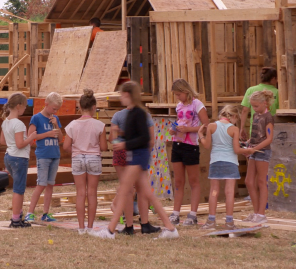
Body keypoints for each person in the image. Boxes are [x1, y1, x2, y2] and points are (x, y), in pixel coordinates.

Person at [89, 81, 179, 239]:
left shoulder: (139, 113)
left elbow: (144, 138)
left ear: (128, 95)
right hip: (135, 155)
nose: (121, 98)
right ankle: (171, 229)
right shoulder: (132, 114)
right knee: (147, 193)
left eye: (122, 95)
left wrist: (125, 143)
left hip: (138, 156)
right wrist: (121, 137)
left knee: (125, 190)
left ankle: (110, 230)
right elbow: (135, 136)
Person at [198, 105, 255, 230]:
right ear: (234, 116)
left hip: (216, 162)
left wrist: (200, 135)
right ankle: (229, 222)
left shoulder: (212, 126)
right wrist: (248, 150)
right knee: (229, 193)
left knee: (214, 191)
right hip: (230, 163)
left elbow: (206, 145)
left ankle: (211, 221)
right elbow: (236, 149)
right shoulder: (234, 129)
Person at [109, 102, 160, 235]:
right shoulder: (145, 116)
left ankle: (129, 226)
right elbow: (150, 140)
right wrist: (146, 155)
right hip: (138, 153)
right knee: (142, 190)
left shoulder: (118, 116)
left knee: (127, 190)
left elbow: (111, 139)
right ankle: (145, 224)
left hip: (120, 153)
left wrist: (118, 138)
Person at [62, 89, 106, 234]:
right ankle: (90, 227)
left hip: (78, 158)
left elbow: (66, 146)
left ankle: (81, 227)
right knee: (92, 193)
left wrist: (76, 151)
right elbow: (104, 147)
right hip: (93, 158)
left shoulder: (72, 125)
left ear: (79, 107)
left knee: (80, 193)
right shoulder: (99, 125)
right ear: (94, 107)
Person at [169, 78, 209, 226]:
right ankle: (176, 213)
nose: (178, 97)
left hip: (191, 145)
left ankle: (193, 214)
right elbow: (179, 122)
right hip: (177, 144)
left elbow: (206, 125)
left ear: (186, 92)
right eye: (176, 95)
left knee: (194, 181)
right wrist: (173, 129)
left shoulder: (197, 104)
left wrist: (189, 130)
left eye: (179, 94)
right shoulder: (179, 106)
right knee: (179, 181)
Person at [0, 93, 37, 228]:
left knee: (18, 186)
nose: (25, 109)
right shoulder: (19, 124)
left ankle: (18, 215)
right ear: (18, 106)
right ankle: (16, 219)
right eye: (25, 106)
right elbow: (20, 144)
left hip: (8, 156)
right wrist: (31, 137)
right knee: (19, 189)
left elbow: (2, 140)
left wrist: (15, 142)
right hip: (19, 157)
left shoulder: (6, 122)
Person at [25, 92, 63, 223]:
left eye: (57, 109)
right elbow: (32, 137)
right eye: (53, 108)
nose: (55, 111)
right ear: (46, 104)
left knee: (50, 184)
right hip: (43, 155)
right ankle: (30, 212)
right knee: (41, 184)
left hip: (55, 154)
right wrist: (48, 133)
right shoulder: (36, 118)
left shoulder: (55, 119)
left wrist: (56, 126)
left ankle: (46, 213)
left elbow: (60, 138)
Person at [243, 90, 275, 224]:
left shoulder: (268, 117)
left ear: (264, 103)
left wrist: (254, 149)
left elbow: (269, 139)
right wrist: (248, 144)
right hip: (254, 150)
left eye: (256, 106)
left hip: (262, 152)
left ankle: (261, 213)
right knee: (249, 181)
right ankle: (256, 212)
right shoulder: (256, 116)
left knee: (261, 181)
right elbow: (256, 134)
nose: (254, 109)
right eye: (252, 106)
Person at [240, 67, 279, 141]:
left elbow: (245, 110)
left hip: (255, 128)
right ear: (273, 78)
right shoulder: (278, 92)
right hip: (272, 128)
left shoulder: (251, 90)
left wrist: (242, 127)